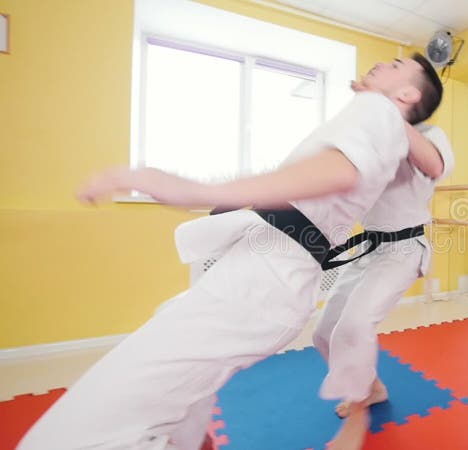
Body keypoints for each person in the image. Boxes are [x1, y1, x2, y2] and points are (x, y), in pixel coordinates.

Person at [18, 53, 444, 450]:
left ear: (408, 95)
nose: (379, 64)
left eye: (393, 65)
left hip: (277, 274)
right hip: (269, 269)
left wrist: (193, 189)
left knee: (75, 430)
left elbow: (344, 171)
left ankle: (359, 412)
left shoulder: (380, 113)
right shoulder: (375, 117)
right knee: (173, 366)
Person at [313, 93, 454, 450]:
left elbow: (434, 165)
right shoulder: (367, 140)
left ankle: (357, 418)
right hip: (369, 248)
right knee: (324, 333)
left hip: (404, 248)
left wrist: (387, 111)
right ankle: (372, 388)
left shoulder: (428, 135)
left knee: (354, 327)